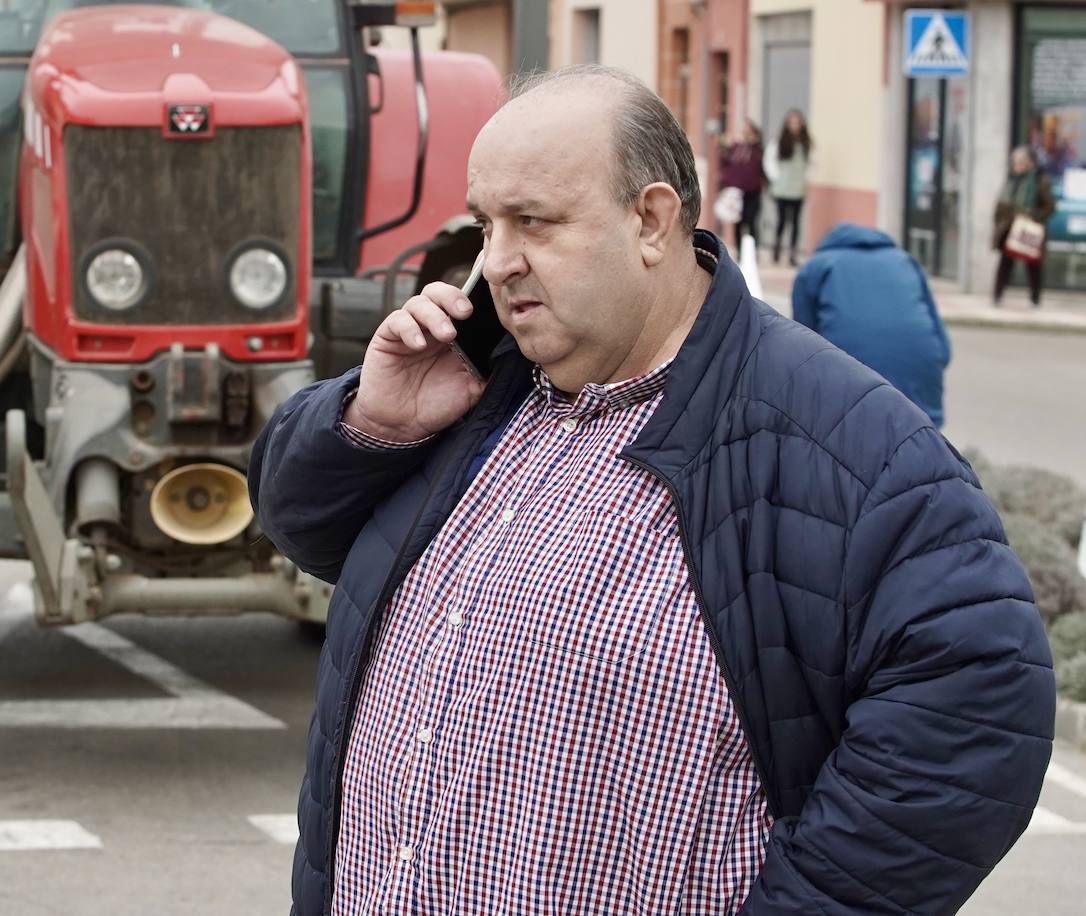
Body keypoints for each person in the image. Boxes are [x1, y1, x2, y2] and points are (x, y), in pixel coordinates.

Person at [251, 65, 1053, 916]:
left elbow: (977, 701)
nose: (497, 263)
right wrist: (374, 423)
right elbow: (300, 525)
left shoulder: (844, 439)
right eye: (487, 224)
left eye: (535, 222)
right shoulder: (472, 381)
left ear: (652, 219)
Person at [791, 223, 951, 428]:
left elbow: (801, 354)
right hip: (922, 395)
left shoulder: (816, 268)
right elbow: (944, 351)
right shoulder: (906, 261)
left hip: (849, 393)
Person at [993, 145, 1057, 307]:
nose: (1017, 165)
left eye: (1020, 162)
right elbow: (1001, 203)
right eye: (1015, 162)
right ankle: (997, 296)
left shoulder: (1040, 181)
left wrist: (1033, 217)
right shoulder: (1011, 180)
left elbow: (1050, 206)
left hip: (1030, 227)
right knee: (1005, 263)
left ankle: (1035, 299)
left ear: (1029, 163)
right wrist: (999, 221)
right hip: (1010, 225)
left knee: (1033, 264)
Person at [764, 109, 811, 266]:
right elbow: (769, 161)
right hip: (782, 188)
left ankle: (792, 253)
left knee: (796, 222)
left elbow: (811, 164)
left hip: (797, 188)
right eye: (792, 122)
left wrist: (806, 179)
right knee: (782, 221)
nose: (795, 125)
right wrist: (776, 178)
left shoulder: (806, 144)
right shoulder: (779, 142)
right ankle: (776, 249)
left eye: (797, 122)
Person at [718, 121, 765, 252]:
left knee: (751, 222)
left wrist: (755, 143)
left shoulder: (758, 149)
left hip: (753, 191)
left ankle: (752, 250)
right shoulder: (736, 147)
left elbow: (762, 166)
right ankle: (739, 250)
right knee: (738, 222)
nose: (746, 133)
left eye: (749, 131)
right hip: (737, 191)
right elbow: (725, 162)